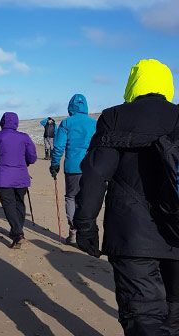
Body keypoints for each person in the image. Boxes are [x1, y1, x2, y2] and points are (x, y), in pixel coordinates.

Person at [74, 59, 179, 335]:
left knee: (143, 317)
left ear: (133, 83)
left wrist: (85, 225)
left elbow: (96, 173)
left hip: (132, 235)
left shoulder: (116, 116)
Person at [49, 94, 97, 246]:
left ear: (70, 107)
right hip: (92, 166)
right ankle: (86, 231)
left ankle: (74, 231)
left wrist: (54, 164)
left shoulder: (67, 123)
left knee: (71, 197)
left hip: (73, 166)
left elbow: (58, 147)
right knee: (87, 199)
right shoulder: (94, 123)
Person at [0, 112, 37, 249]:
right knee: (19, 203)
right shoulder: (24, 137)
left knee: (9, 204)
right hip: (21, 176)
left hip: (3, 177)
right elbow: (32, 158)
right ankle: (17, 231)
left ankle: (17, 233)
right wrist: (23, 161)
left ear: (2, 122)